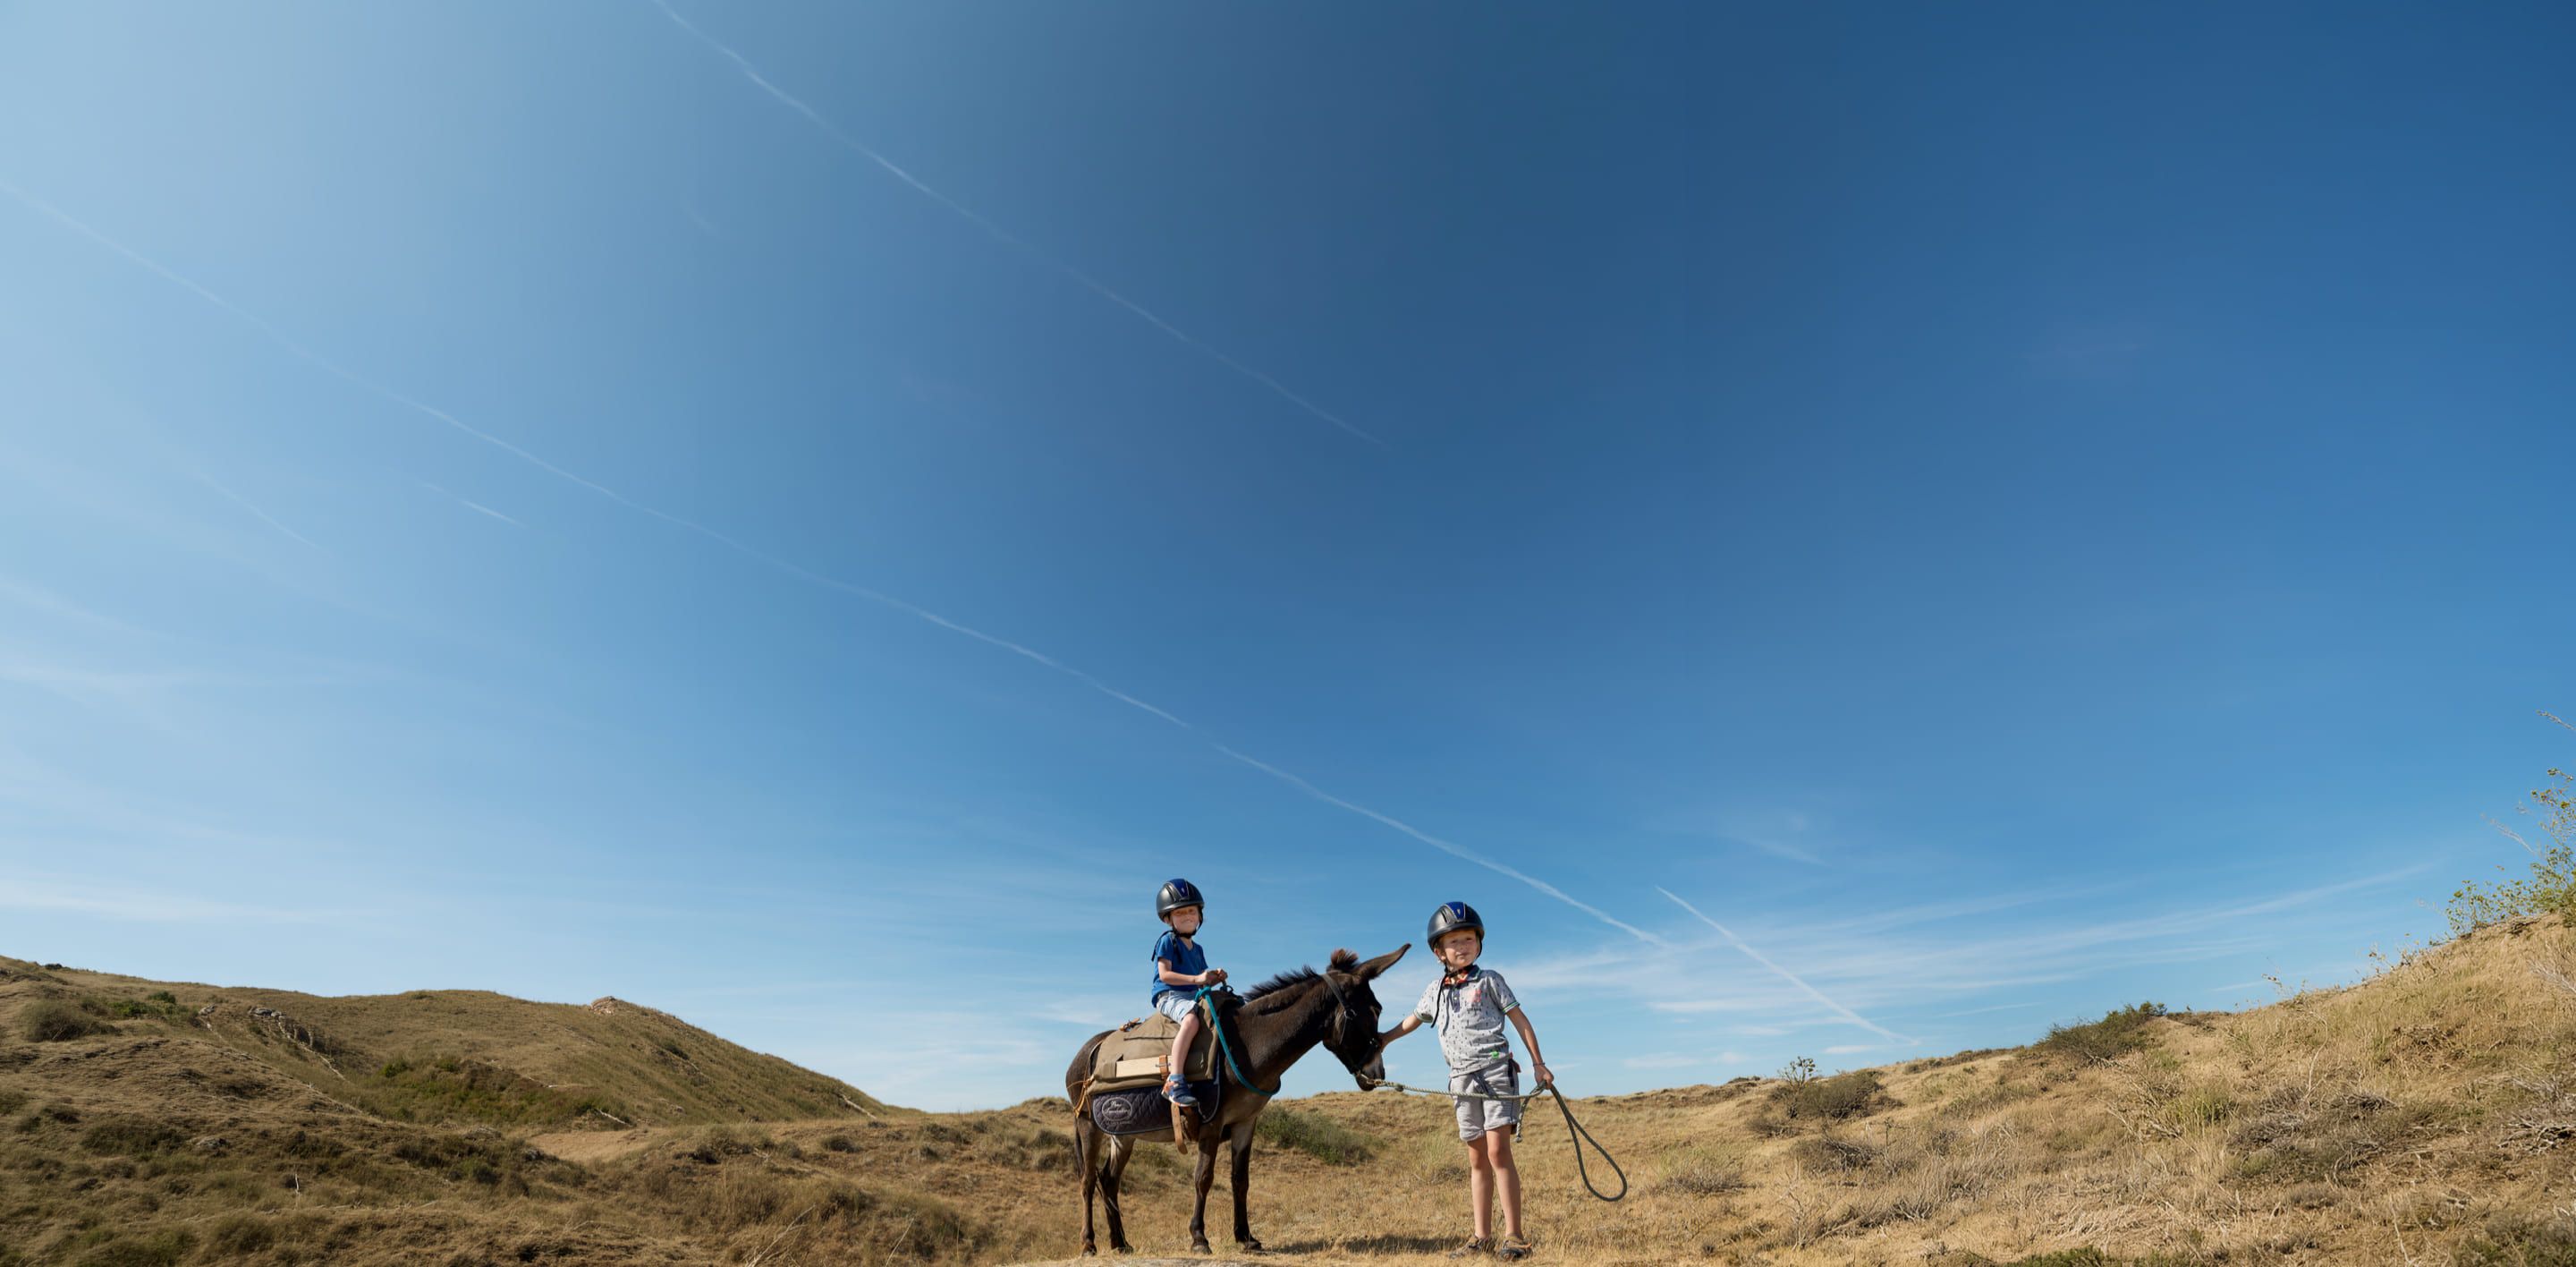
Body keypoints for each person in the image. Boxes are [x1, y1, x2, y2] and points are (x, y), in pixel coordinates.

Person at [1378, 901, 1550, 1261]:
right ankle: (1481, 1236)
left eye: (1469, 938)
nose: (1463, 946)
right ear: (1438, 951)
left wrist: (1538, 1063)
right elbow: (1413, 1019)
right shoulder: (1435, 990)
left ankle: (1515, 1236)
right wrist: (1384, 1039)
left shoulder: (1490, 981)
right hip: (1460, 1080)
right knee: (1476, 1159)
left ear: (1479, 943)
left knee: (1498, 1152)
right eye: (1454, 941)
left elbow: (1520, 1021)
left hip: (1494, 1073)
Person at [1149, 878, 1226, 1108]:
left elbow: (1201, 980)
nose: (1188, 917)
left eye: (1192, 911)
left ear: (1200, 915)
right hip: (1169, 995)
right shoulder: (1167, 941)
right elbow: (1165, 975)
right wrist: (1197, 979)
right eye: (1180, 913)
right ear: (1167, 918)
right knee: (1192, 1020)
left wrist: (1213, 977)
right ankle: (1175, 1081)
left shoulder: (1198, 949)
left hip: (1193, 996)